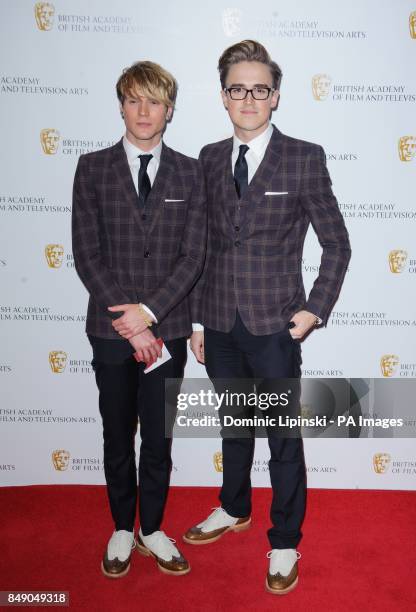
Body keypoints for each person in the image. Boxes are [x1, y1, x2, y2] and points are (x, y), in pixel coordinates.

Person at [185, 40, 351, 595]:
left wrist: (313, 311)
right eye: (238, 89)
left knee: (281, 436)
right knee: (234, 426)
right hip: (219, 324)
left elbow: (337, 245)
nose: (248, 98)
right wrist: (199, 323)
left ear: (275, 96)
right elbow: (200, 246)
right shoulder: (208, 158)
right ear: (224, 98)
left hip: (276, 325)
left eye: (259, 88)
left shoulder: (304, 157)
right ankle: (234, 506)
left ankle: (284, 539)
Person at [72, 60, 206, 578]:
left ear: (169, 110)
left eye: (154, 101)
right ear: (121, 105)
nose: (144, 111)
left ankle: (152, 527)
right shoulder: (91, 167)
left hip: (168, 330)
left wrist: (150, 317)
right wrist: (132, 324)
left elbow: (193, 258)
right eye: (134, 99)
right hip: (109, 333)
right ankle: (122, 528)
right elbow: (87, 255)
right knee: (116, 435)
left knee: (159, 438)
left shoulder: (191, 172)